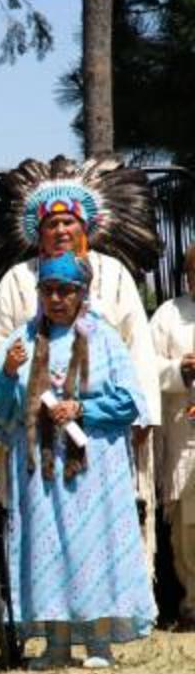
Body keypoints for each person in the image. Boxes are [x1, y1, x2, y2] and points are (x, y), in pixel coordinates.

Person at [0, 155, 161, 564]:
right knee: (45, 526)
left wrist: (141, 414)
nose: (60, 229)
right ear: (38, 234)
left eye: (68, 221)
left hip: (103, 426)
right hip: (36, 427)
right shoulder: (17, 280)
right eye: (51, 224)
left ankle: (114, 602)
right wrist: (10, 401)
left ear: (85, 226)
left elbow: (139, 347)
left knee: (110, 520)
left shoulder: (113, 274)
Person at [0, 252, 156, 669]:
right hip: (40, 468)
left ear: (83, 294)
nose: (56, 298)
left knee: (94, 547)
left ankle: (98, 643)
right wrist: (7, 373)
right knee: (49, 548)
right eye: (48, 290)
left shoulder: (104, 337)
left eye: (65, 291)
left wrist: (81, 410)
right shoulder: (22, 340)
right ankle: (56, 644)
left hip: (94, 469)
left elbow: (131, 401)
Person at [149, 243, 195, 629]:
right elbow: (145, 367)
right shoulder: (169, 315)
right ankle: (193, 603)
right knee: (189, 524)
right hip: (185, 432)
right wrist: (180, 369)